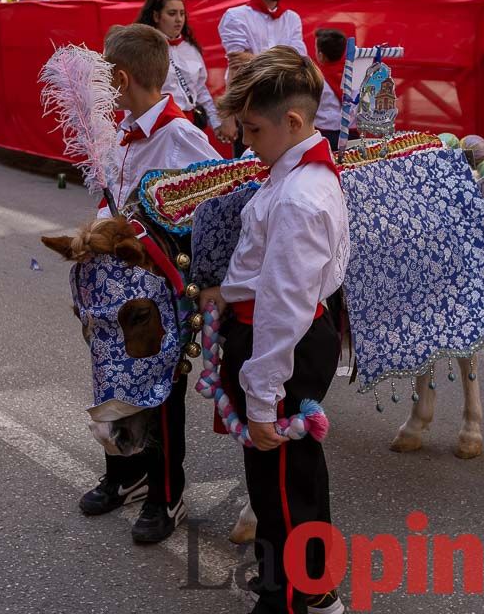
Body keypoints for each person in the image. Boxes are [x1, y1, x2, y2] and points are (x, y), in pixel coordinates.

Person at [201, 46, 349, 614]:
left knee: (278, 488)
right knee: (299, 475)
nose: (245, 142)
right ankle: (317, 588)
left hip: (279, 345)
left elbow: (284, 305)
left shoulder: (299, 195)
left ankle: (286, 597)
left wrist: (262, 398)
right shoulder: (297, 173)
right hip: (287, 338)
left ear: (293, 121)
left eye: (253, 129)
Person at [78, 25, 220, 542]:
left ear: (121, 77)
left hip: (157, 295)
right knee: (114, 380)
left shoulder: (182, 138)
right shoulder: (120, 130)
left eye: (104, 78)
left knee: (161, 392)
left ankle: (167, 495)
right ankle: (125, 473)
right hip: (115, 289)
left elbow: (212, 208)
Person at [218, 0, 341, 150]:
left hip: (284, 110)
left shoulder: (292, 18)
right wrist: (228, 117)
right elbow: (237, 68)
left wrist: (254, 57)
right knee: (248, 173)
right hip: (250, 107)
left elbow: (297, 62)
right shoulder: (235, 16)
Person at [135, 0, 236, 143]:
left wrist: (216, 124)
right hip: (158, 129)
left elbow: (201, 90)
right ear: (156, 16)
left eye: (182, 13)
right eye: (172, 13)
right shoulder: (143, 49)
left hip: (189, 125)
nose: (179, 19)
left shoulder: (191, 49)